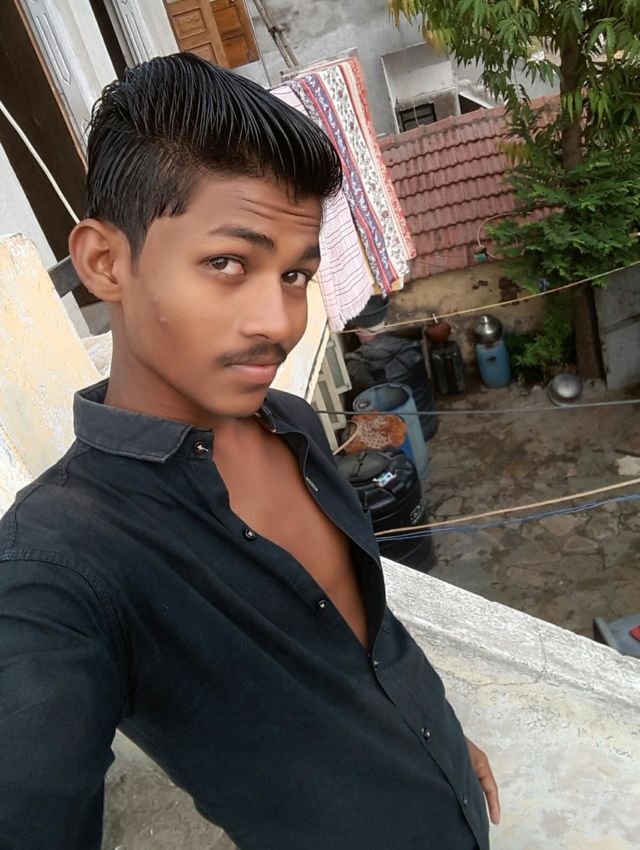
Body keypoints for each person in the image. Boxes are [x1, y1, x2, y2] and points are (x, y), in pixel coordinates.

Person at [0, 53, 499, 850]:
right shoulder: (56, 565)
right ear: (105, 263)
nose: (279, 322)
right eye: (228, 263)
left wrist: (435, 739)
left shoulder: (290, 421)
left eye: (295, 275)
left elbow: (365, 631)